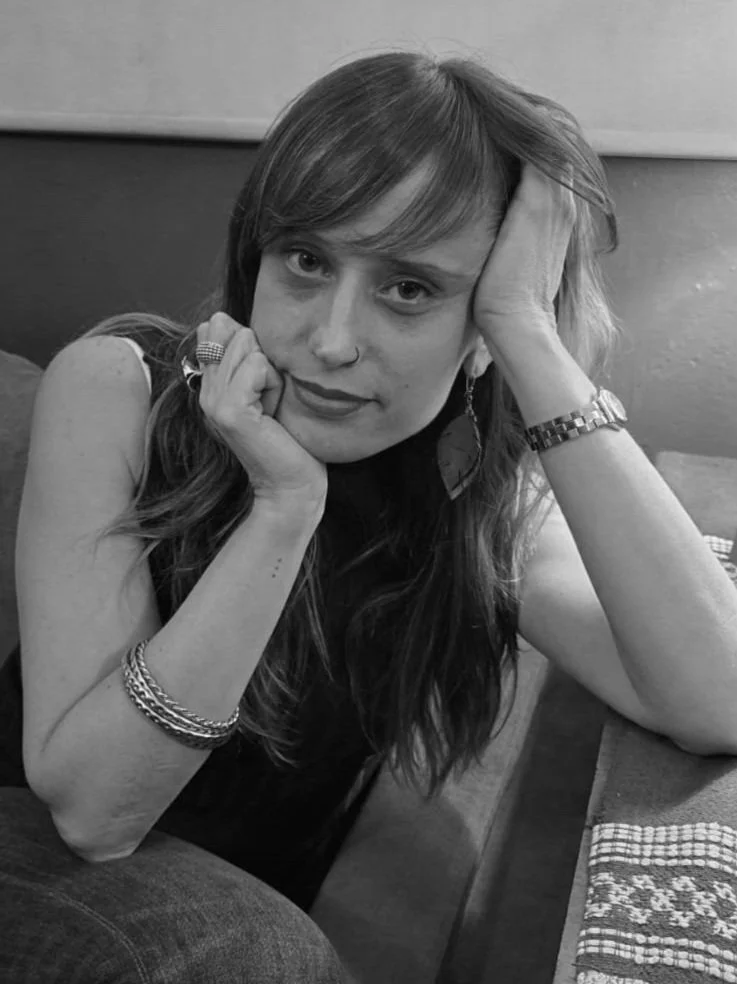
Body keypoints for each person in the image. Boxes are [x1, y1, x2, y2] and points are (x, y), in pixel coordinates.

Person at [2, 48, 737, 983]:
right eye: (306, 261)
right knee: (259, 952)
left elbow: (716, 701)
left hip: (252, 899)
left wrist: (526, 329)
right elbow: (93, 815)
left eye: (409, 288)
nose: (332, 340)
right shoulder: (120, 388)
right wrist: (282, 508)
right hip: (39, 863)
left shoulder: (473, 489)